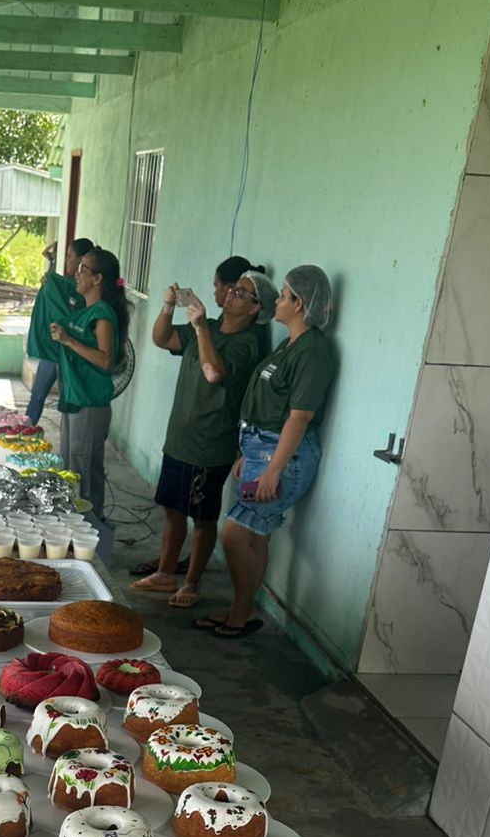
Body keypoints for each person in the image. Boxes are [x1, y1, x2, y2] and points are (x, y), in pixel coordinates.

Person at [194, 264, 336, 639]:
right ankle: (240, 611)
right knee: (255, 536)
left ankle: (241, 612)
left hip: (283, 456)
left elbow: (299, 417)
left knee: (235, 537)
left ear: (300, 304)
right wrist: (250, 452)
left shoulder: (313, 351)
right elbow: (269, 403)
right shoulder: (290, 343)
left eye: (284, 296)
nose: (277, 301)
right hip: (262, 449)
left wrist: (272, 470)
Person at [131, 268, 275, 609]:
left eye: (241, 293)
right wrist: (168, 306)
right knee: (172, 509)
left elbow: (213, 373)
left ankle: (192, 582)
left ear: (256, 308)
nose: (231, 294)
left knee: (203, 517)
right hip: (180, 436)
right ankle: (165, 573)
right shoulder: (208, 327)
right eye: (233, 288)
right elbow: (162, 338)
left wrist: (199, 328)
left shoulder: (246, 343)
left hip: (211, 444)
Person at [49, 246, 127, 524]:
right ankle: (83, 525)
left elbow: (105, 361)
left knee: (82, 472)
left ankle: (88, 527)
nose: (76, 274)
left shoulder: (102, 314)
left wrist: (69, 341)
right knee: (72, 466)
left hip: (90, 404)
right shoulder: (85, 310)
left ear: (97, 279)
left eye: (83, 269)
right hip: (75, 400)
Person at [25, 234, 92, 426]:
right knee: (37, 396)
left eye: (70, 256)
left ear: (81, 260)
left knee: (67, 400)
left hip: (71, 352)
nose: (66, 260)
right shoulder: (62, 284)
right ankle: (24, 433)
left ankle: (67, 436)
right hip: (52, 349)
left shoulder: (86, 291)